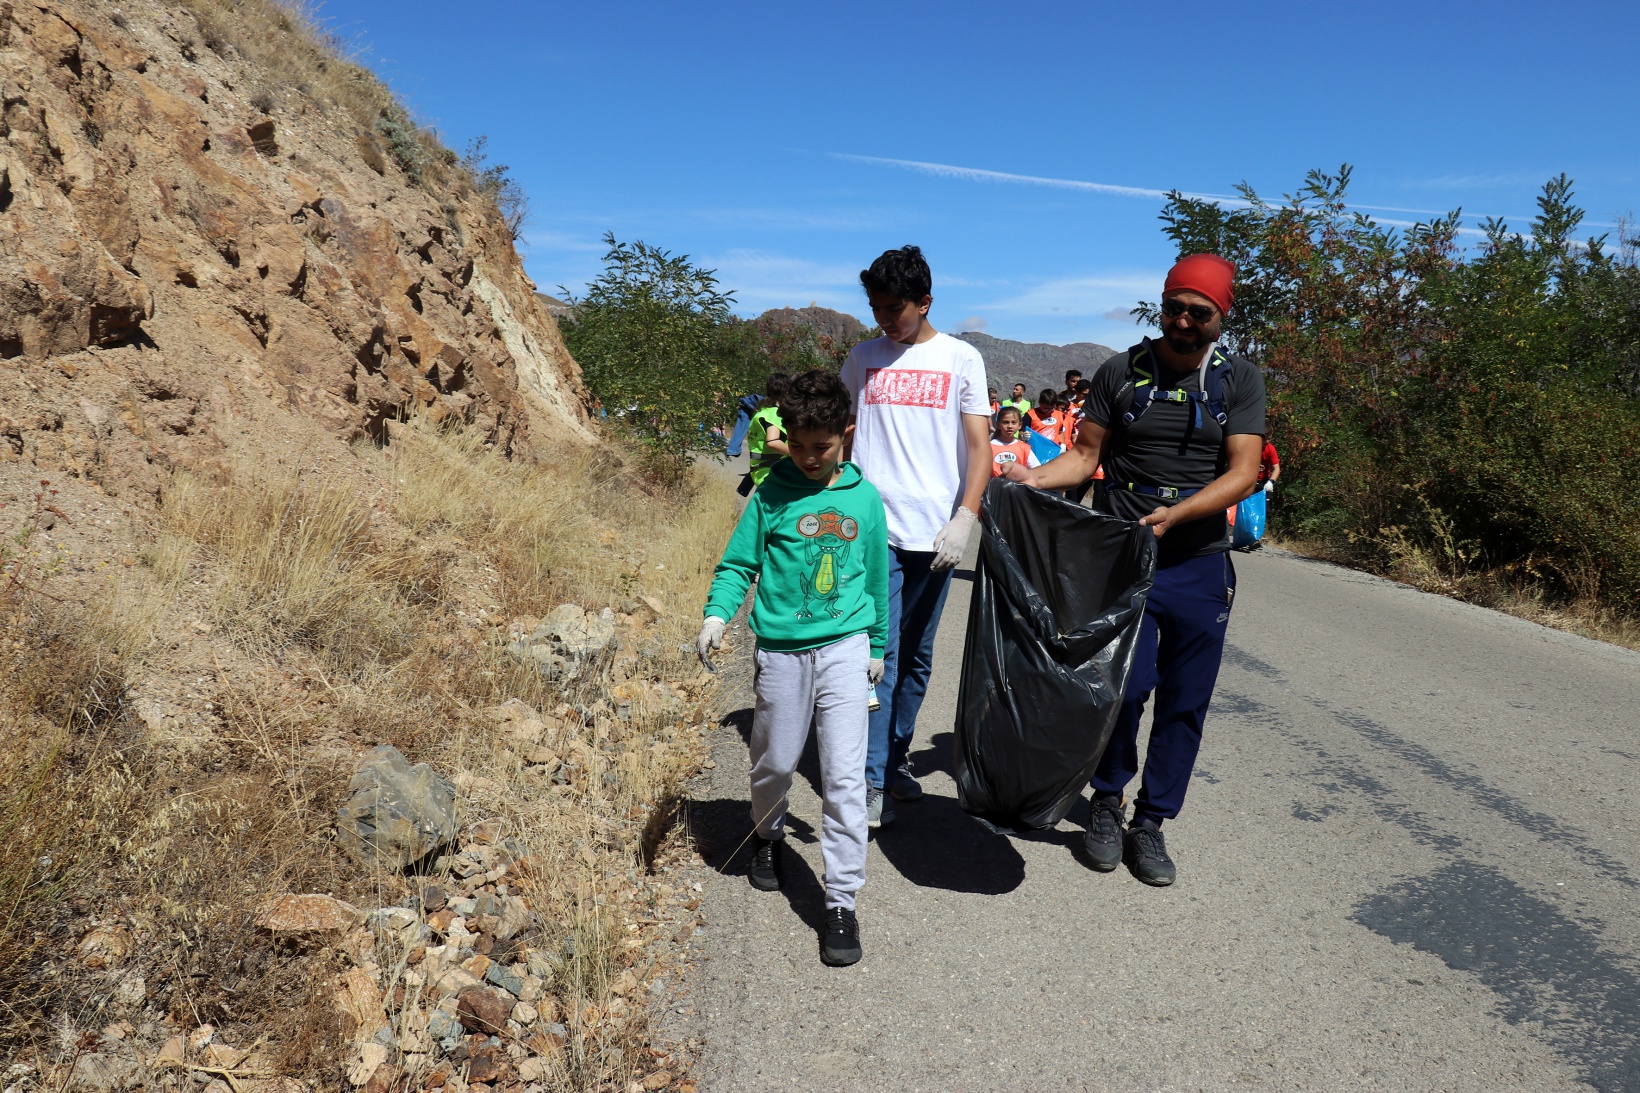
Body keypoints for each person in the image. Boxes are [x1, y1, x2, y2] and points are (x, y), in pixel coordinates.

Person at [1002, 253, 1265, 886]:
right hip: (1123, 558)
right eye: (1175, 307)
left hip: (1199, 563)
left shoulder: (1238, 381)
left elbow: (1242, 472)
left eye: (1198, 313)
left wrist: (1178, 514)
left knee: (1185, 701)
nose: (1183, 321)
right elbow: (1086, 456)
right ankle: (1107, 800)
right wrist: (1031, 478)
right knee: (1124, 686)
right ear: (1163, 305)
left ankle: (1151, 824)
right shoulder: (1121, 372)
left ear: (1220, 319)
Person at [696, 369, 889, 967]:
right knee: (774, 762)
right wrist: (716, 615)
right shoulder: (771, 494)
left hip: (846, 648)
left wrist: (877, 647)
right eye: (799, 445)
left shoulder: (863, 498)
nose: (808, 458)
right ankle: (766, 834)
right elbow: (737, 566)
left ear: (846, 435)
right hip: (780, 650)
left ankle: (840, 899)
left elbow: (877, 578)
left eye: (822, 447)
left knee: (842, 775)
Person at [840, 245, 992, 827]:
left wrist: (966, 516)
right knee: (881, 655)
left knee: (920, 655)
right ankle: (870, 780)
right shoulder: (862, 358)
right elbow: (843, 434)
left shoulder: (962, 359)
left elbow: (980, 448)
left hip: (937, 534)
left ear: (925, 302)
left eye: (894, 309)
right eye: (876, 307)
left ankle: (895, 756)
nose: (883, 319)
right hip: (872, 532)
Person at [740, 372, 790, 497]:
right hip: (770, 473)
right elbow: (773, 442)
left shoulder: (762, 411)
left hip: (761, 471)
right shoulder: (773, 414)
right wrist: (798, 452)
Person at [990, 406, 1040, 477]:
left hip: (1018, 487)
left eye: (1013, 422)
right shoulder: (989, 447)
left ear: (1019, 425)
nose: (1010, 426)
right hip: (995, 486)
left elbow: (1036, 469)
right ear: (998, 424)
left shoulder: (1024, 448)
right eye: (1005, 422)